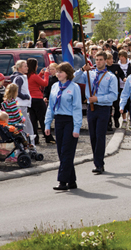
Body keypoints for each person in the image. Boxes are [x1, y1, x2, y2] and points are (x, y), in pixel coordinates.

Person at [73, 50, 118, 174]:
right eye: (96, 60)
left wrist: (98, 98)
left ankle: (99, 164)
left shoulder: (111, 76)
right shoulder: (89, 74)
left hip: (103, 108)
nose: (98, 62)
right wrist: (82, 69)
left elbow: (114, 95)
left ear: (106, 61)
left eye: (101, 60)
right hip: (91, 108)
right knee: (92, 136)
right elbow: (73, 79)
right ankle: (96, 161)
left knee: (100, 135)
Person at [45, 62, 82, 191]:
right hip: (59, 120)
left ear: (67, 73)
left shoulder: (74, 87)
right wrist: (47, 123)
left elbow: (77, 108)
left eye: (61, 72)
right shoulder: (55, 86)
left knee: (67, 151)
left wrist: (77, 127)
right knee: (62, 152)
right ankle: (72, 181)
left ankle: (63, 181)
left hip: (70, 120)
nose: (58, 74)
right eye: (57, 71)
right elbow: (50, 106)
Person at [27, 58, 55, 144]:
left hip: (30, 100)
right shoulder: (33, 76)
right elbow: (45, 83)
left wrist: (40, 74)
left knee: (33, 120)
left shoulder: (28, 76)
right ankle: (48, 137)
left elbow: (35, 82)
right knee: (43, 119)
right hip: (38, 99)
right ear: (34, 66)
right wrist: (46, 74)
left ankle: (35, 138)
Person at [10, 60, 34, 136]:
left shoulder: (19, 77)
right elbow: (17, 92)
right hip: (21, 104)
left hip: (20, 104)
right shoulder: (20, 78)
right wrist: (26, 97)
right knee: (26, 124)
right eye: (25, 66)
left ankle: (27, 140)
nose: (27, 68)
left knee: (24, 124)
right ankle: (29, 141)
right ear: (19, 68)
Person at [106, 52, 125, 129]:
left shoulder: (116, 66)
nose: (112, 60)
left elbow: (121, 74)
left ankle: (116, 118)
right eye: (110, 59)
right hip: (107, 92)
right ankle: (109, 122)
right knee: (109, 107)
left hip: (116, 91)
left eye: (112, 58)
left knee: (117, 106)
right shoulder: (104, 68)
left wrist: (124, 79)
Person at [118, 50, 131, 128]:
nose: (121, 58)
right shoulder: (117, 65)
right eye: (120, 56)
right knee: (123, 104)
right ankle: (124, 120)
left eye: (122, 56)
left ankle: (130, 119)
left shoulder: (129, 64)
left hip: (128, 87)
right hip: (120, 86)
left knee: (129, 103)